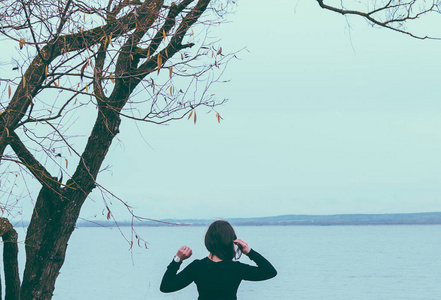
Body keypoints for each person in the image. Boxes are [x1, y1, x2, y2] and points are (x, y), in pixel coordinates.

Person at [160, 220, 277, 299]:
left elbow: (166, 287)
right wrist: (249, 252)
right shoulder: (236, 268)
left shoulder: (197, 267)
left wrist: (178, 259)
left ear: (208, 241)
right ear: (231, 241)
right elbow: (270, 272)